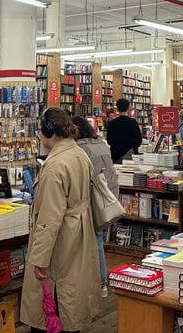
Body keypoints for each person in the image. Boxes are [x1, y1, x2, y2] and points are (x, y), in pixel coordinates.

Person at [20, 108, 101, 333]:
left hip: (61, 240)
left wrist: (39, 259)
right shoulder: (78, 153)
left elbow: (49, 219)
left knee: (54, 301)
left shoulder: (54, 166)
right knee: (73, 297)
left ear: (49, 131)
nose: (38, 135)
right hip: (79, 233)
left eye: (40, 131)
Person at [71, 115, 118, 298]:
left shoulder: (81, 149)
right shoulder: (100, 143)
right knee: (97, 238)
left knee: (94, 239)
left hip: (92, 199)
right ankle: (101, 282)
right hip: (108, 196)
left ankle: (100, 282)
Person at [105, 98, 142, 163]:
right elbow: (138, 141)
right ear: (128, 108)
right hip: (131, 155)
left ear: (117, 108)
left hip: (115, 155)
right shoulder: (133, 122)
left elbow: (109, 141)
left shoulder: (111, 123)